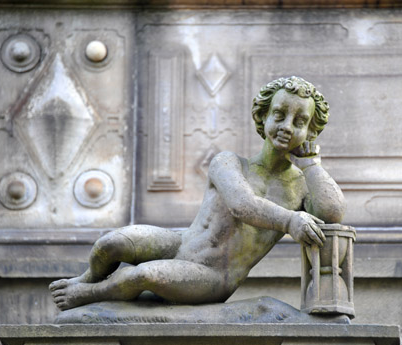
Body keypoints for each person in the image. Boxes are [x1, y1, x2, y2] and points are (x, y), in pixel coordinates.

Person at [50, 76, 345, 310]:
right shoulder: (228, 161)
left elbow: (332, 213)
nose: (287, 127)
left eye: (300, 122)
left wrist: (312, 166)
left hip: (215, 276)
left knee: (142, 275)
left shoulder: (301, 186)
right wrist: (292, 221)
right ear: (263, 116)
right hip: (181, 242)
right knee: (111, 243)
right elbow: (242, 205)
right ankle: (87, 278)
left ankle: (87, 295)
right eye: (279, 114)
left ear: (311, 130)